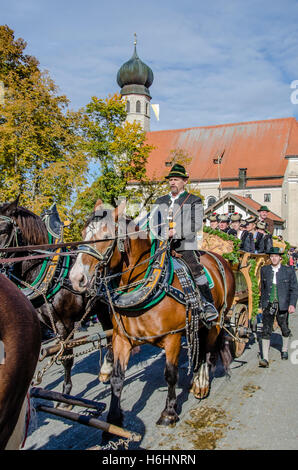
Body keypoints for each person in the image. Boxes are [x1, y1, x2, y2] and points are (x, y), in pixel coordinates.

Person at [151, 163, 218, 323]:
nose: (172, 182)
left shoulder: (194, 200)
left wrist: (176, 232)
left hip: (185, 245)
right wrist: (159, 232)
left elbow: (195, 224)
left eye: (176, 179)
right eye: (171, 180)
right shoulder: (161, 200)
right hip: (162, 245)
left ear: (184, 181)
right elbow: (154, 221)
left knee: (196, 270)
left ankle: (208, 304)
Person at [259, 247, 298, 367]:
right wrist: (262, 303)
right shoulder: (264, 269)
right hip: (268, 303)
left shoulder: (288, 271)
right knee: (266, 329)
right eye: (271, 256)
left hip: (283, 303)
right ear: (269, 258)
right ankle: (265, 358)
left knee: (284, 327)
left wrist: (292, 304)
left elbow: (294, 289)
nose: (274, 258)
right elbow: (263, 288)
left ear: (280, 257)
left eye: (276, 256)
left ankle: (285, 350)